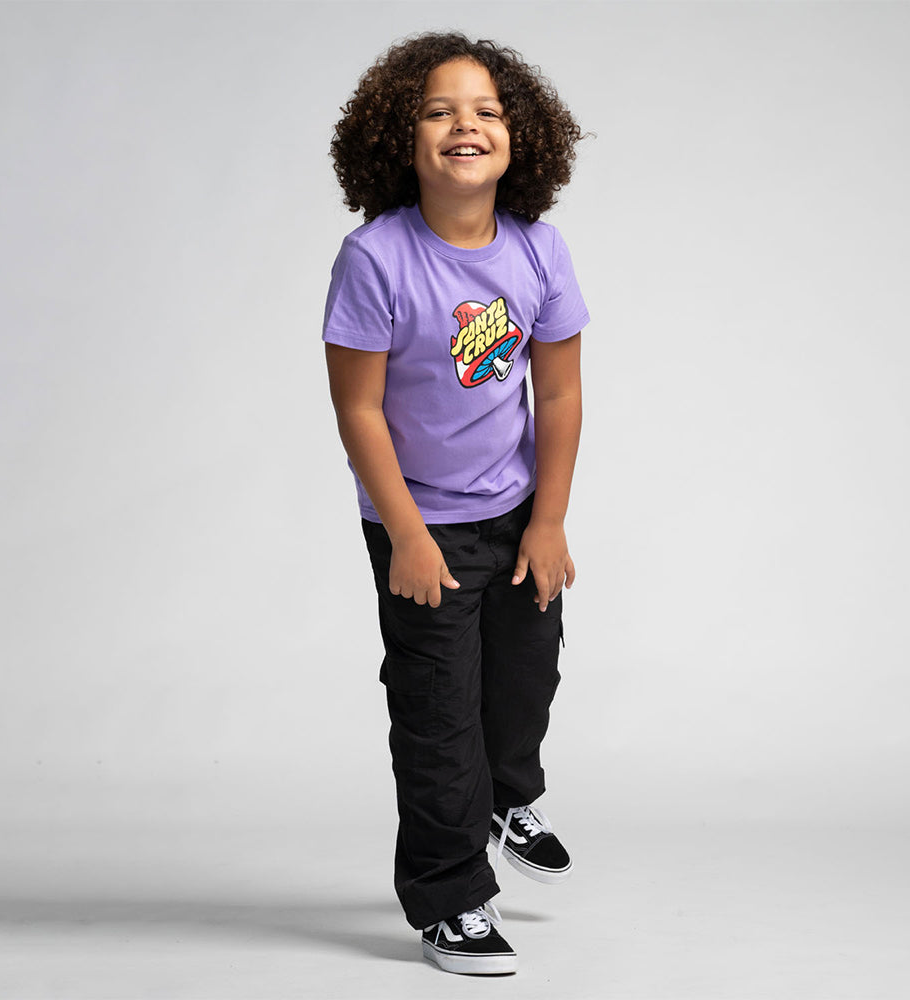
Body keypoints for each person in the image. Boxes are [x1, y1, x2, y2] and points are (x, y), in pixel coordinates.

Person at [323, 32, 589, 976]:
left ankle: (509, 797)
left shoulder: (539, 250)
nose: (464, 126)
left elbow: (559, 392)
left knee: (523, 683)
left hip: (516, 513)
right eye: (439, 110)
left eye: (486, 110)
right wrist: (404, 533)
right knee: (439, 714)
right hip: (419, 523)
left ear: (522, 135)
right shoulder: (375, 258)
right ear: (401, 136)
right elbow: (358, 409)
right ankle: (450, 897)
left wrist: (548, 520)